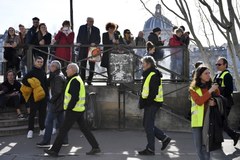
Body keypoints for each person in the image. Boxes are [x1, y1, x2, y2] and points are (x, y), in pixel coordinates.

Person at [44, 63, 100, 157]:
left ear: (73, 70)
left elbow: (75, 97)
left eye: (67, 69)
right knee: (84, 129)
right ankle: (95, 147)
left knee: (63, 130)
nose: (66, 71)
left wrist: (69, 108)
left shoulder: (74, 81)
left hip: (73, 110)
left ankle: (54, 150)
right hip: (78, 109)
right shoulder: (75, 79)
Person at [189, 66, 227, 160]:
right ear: (199, 75)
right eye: (206, 73)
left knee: (207, 147)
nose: (208, 75)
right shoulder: (193, 89)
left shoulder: (214, 87)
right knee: (199, 148)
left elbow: (220, 100)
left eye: (209, 73)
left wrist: (214, 102)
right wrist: (210, 91)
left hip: (210, 121)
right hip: (197, 122)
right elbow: (199, 101)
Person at [138, 56, 171, 155]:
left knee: (148, 126)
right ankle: (164, 138)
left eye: (143, 63)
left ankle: (151, 149)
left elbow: (153, 92)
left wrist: (146, 102)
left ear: (148, 64)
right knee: (147, 124)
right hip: (150, 103)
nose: (142, 65)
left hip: (152, 103)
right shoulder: (149, 74)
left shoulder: (153, 74)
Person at [37, 60, 68, 147]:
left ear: (55, 67)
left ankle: (46, 141)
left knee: (48, 122)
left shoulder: (57, 77)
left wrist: (51, 101)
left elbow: (58, 92)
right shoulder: (57, 75)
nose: (49, 67)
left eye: (51, 66)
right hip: (59, 104)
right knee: (61, 123)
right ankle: (65, 141)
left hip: (55, 104)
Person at [214, 57, 240, 146]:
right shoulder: (217, 74)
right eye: (216, 64)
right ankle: (233, 136)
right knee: (219, 122)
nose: (217, 66)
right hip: (219, 102)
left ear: (225, 65)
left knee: (221, 122)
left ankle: (232, 136)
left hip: (225, 102)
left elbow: (229, 90)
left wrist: (219, 91)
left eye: (219, 64)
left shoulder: (227, 75)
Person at [21, 56, 48, 139]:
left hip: (43, 97)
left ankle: (42, 129)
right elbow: (24, 80)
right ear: (35, 62)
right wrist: (33, 86)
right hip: (34, 97)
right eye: (38, 61)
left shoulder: (43, 72)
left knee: (42, 114)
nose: (40, 63)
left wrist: (46, 95)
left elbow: (45, 84)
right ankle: (30, 130)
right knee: (32, 114)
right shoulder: (31, 72)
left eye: (41, 62)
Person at [77, 17, 101, 85]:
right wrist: (79, 42)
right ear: (87, 21)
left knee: (92, 66)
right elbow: (79, 36)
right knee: (83, 66)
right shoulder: (82, 27)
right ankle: (82, 80)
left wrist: (95, 43)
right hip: (83, 48)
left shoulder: (96, 29)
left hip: (92, 50)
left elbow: (98, 40)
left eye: (92, 21)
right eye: (90, 21)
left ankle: (89, 80)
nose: (91, 23)